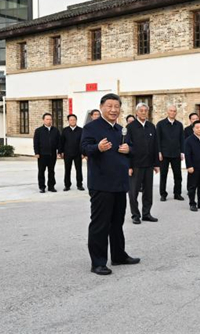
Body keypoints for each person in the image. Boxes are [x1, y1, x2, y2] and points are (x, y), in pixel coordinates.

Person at [80, 93, 139, 275]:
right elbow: (83, 148)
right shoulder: (92, 128)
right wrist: (97, 147)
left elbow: (132, 149)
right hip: (101, 184)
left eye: (116, 106)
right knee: (100, 224)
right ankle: (97, 262)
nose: (113, 110)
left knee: (117, 222)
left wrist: (129, 149)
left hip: (120, 183)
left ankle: (119, 255)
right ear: (101, 106)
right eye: (109, 106)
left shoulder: (122, 129)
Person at [127, 102, 159, 224]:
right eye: (141, 110)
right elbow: (127, 147)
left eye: (145, 110)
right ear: (136, 112)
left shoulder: (151, 126)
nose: (144, 112)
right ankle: (135, 215)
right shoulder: (130, 127)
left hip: (149, 164)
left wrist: (156, 164)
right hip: (135, 165)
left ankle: (146, 213)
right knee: (133, 192)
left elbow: (156, 146)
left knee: (148, 192)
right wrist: (129, 166)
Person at [156, 105, 184, 202]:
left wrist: (182, 152)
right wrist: (159, 152)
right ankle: (163, 194)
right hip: (164, 153)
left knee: (178, 175)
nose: (172, 112)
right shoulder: (160, 124)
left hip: (176, 153)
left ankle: (177, 193)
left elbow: (182, 139)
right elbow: (158, 139)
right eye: (171, 111)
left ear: (176, 112)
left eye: (174, 111)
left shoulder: (179, 125)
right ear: (167, 112)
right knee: (163, 175)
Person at [33, 112, 60, 193]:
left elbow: (59, 142)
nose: (49, 121)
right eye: (47, 119)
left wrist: (59, 152)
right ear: (43, 120)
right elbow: (36, 142)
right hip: (42, 155)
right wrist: (36, 152)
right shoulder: (38, 131)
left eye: (50, 119)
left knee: (51, 171)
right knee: (41, 171)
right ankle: (42, 187)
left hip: (52, 154)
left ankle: (51, 186)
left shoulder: (55, 130)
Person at [60, 114, 84, 191]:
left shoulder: (81, 130)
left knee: (79, 170)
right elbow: (62, 142)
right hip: (67, 153)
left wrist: (84, 153)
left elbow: (83, 142)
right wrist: (61, 152)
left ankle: (79, 185)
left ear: (76, 120)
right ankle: (67, 185)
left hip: (78, 153)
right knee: (67, 170)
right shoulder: (65, 130)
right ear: (68, 121)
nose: (72, 121)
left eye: (74, 120)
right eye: (71, 120)